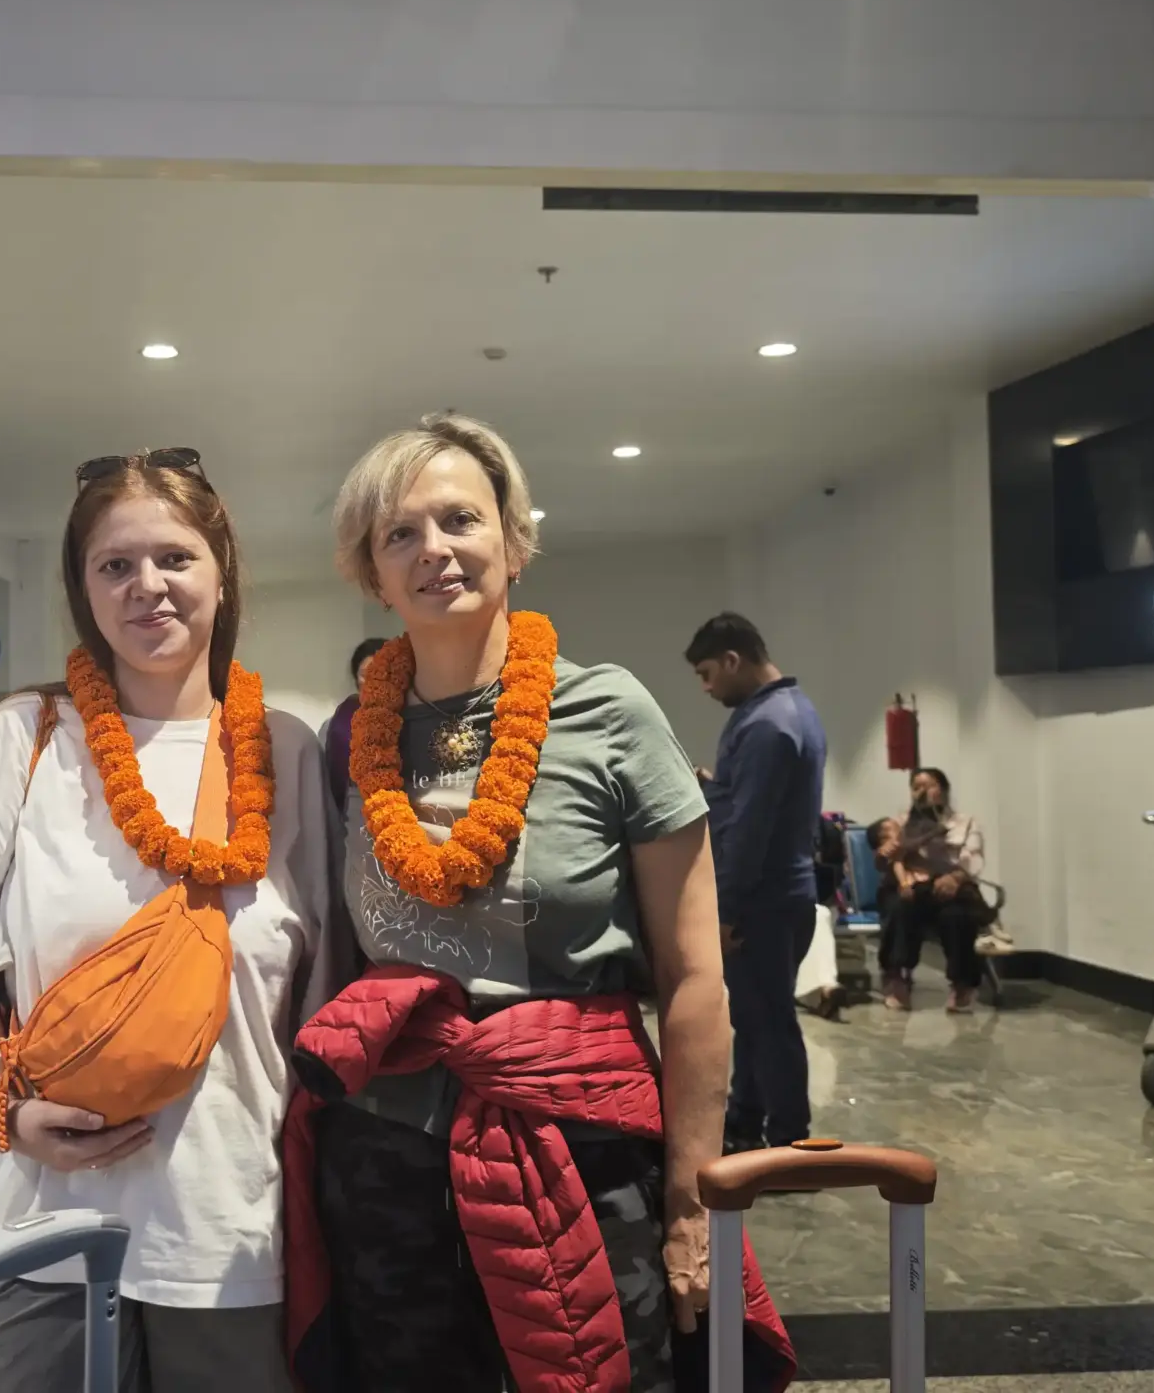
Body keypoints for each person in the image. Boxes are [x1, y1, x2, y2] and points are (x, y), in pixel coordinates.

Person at [286, 414, 793, 1393]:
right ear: (371, 572)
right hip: (382, 1158)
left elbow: (694, 982)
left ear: (512, 542)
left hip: (583, 1143)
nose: (433, 550)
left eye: (458, 520)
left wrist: (691, 1203)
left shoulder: (608, 711)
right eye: (400, 533)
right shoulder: (353, 735)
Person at [0, 448, 337, 1392]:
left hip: (226, 1224)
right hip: (35, 1213)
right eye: (115, 566)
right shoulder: (20, 740)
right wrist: (6, 1110)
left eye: (176, 559)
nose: (150, 588)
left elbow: (323, 985)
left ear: (222, 571)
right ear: (83, 588)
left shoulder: (285, 751)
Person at [685, 613, 827, 1155]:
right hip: (781, 895)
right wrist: (715, 788)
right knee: (755, 1019)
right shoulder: (789, 711)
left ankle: (792, 1146)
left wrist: (724, 912)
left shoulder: (767, 724)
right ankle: (745, 1124)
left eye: (706, 673)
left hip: (764, 901)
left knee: (769, 1025)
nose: (706, 687)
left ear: (732, 661)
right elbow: (754, 804)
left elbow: (751, 828)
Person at [881, 767, 991, 1013]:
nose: (921, 792)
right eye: (916, 787)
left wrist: (956, 877)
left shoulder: (965, 822)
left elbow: (972, 857)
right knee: (901, 908)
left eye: (928, 786)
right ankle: (896, 976)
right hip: (912, 886)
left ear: (943, 790)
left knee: (957, 916)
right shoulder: (900, 823)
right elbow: (888, 859)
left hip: (950, 887)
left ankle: (963, 983)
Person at [319, 636, 390, 807]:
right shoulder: (335, 727)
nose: (373, 683)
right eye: (365, 675)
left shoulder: (412, 725)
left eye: (382, 675)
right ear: (356, 677)